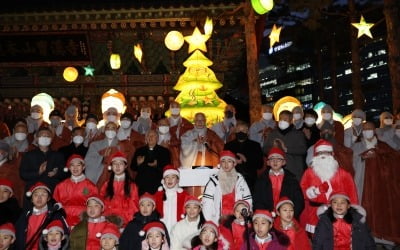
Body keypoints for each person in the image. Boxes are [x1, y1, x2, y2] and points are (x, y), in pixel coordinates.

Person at [351, 121, 400, 244]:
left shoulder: (383, 145)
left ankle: (384, 238)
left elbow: (394, 158)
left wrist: (380, 155)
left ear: (375, 131)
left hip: (382, 185)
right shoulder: (356, 146)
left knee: (382, 210)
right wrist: (363, 157)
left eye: (370, 129)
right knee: (366, 210)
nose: (368, 131)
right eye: (365, 129)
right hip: (364, 184)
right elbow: (351, 161)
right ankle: (367, 238)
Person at [300, 139, 358, 234]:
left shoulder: (344, 174)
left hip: (339, 213)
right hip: (314, 214)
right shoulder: (309, 173)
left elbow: (353, 195)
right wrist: (314, 192)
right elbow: (302, 191)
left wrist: (353, 214)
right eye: (320, 153)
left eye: (326, 153)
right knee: (318, 241)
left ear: (332, 154)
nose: (323, 156)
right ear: (315, 156)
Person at [202, 150, 252, 225]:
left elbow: (247, 199)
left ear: (234, 163)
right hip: (219, 219)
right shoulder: (214, 180)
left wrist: (245, 216)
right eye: (223, 161)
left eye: (229, 161)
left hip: (237, 218)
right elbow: (207, 202)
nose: (226, 164)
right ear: (220, 163)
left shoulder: (240, 180)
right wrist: (210, 221)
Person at [19, 127, 66, 207]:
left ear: (51, 139)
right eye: (42, 136)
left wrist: (56, 173)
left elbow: (65, 173)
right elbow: (23, 174)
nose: (45, 138)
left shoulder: (58, 155)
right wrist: (38, 172)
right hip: (33, 191)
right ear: (36, 138)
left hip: (52, 191)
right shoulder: (28, 155)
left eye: (47, 136)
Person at [15, 182, 69, 250]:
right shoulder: (24, 216)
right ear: (31, 199)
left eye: (43, 194)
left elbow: (65, 235)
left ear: (48, 198)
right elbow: (18, 237)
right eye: (36, 195)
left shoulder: (55, 215)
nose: (39, 198)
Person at [253, 147, 304, 219]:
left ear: (284, 162)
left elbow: (299, 201)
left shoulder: (291, 179)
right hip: (267, 217)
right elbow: (257, 200)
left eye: (278, 159)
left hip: (287, 217)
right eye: (272, 158)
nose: (275, 161)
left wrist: (290, 215)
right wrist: (265, 214)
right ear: (268, 162)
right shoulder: (261, 180)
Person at [53, 154, 98, 227]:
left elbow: (95, 207)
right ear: (69, 167)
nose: (75, 168)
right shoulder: (61, 186)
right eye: (72, 165)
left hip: (84, 220)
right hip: (64, 219)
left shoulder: (91, 186)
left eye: (78, 165)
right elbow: (55, 206)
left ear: (83, 167)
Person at [263, 110, 307, 181]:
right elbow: (265, 149)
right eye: (281, 119)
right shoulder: (272, 134)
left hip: (294, 170)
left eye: (285, 119)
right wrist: (273, 149)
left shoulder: (298, 134)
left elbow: (303, 150)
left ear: (290, 121)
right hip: (276, 171)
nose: (282, 121)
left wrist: (286, 149)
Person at [100, 151, 139, 228]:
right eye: (115, 164)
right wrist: (106, 218)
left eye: (120, 164)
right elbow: (102, 203)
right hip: (108, 220)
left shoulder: (131, 186)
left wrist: (124, 221)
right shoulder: (106, 185)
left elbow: (133, 207)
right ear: (111, 166)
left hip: (125, 222)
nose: (117, 166)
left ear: (125, 166)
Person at [224, 121, 264, 194]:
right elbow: (223, 162)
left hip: (250, 181)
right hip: (232, 180)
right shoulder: (228, 146)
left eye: (243, 130)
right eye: (238, 130)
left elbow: (260, 164)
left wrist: (246, 160)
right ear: (235, 131)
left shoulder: (255, 146)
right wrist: (233, 161)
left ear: (248, 132)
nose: (240, 132)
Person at [131, 130, 171, 195]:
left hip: (157, 183)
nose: (151, 137)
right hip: (142, 184)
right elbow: (132, 167)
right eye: (148, 136)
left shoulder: (164, 151)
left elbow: (167, 167)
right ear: (146, 138)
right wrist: (138, 163)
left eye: (153, 136)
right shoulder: (139, 150)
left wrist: (157, 165)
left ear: (157, 138)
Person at [84, 121, 122, 189]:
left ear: (117, 130)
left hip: (115, 173)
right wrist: (102, 158)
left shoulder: (121, 145)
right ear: (104, 130)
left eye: (113, 128)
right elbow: (88, 160)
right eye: (108, 128)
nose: (110, 130)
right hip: (98, 173)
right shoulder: (95, 144)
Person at [154, 165, 190, 233]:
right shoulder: (158, 195)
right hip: (161, 231)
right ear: (163, 180)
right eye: (167, 177)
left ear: (177, 180)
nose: (170, 180)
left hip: (179, 231)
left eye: (173, 177)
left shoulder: (184, 196)